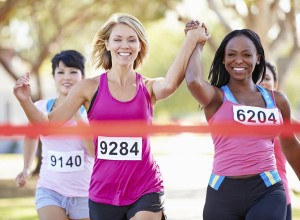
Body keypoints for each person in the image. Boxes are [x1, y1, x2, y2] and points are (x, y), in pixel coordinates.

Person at [13, 13, 210, 220]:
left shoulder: (149, 87)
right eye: (117, 39)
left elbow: (170, 84)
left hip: (145, 186)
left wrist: (191, 40)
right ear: (107, 44)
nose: (124, 45)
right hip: (103, 193)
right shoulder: (88, 88)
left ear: (140, 45)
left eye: (132, 40)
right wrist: (25, 100)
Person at [185, 23, 300, 220]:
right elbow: (194, 81)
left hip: (267, 190)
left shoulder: (277, 100)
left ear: (258, 59)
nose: (239, 60)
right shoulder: (216, 98)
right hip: (222, 190)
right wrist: (197, 43)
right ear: (223, 58)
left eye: (247, 54)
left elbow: (290, 145)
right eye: (231, 54)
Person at [15, 50, 94, 220]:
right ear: (53, 76)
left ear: (83, 77)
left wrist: (74, 111)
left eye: (73, 72)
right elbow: (31, 136)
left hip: (84, 193)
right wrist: (27, 169)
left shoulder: (91, 112)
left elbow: (94, 152)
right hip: (50, 190)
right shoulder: (40, 107)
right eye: (61, 72)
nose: (67, 77)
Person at [259, 61, 292, 220]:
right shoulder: (239, 116)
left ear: (275, 84)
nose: (262, 82)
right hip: (249, 198)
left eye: (266, 78)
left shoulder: (284, 117)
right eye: (256, 78)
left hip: (280, 197)